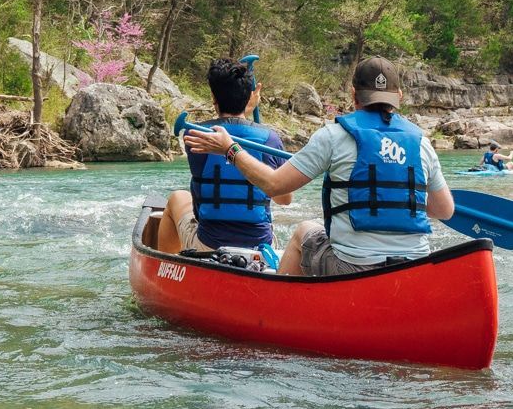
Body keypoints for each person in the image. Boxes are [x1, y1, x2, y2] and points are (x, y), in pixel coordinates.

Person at [181, 56, 454, 277]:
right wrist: (397, 200)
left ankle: (278, 307)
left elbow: (275, 186)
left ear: (353, 95)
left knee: (304, 231)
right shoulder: (422, 143)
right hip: (413, 267)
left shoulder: (333, 136)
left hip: (352, 267)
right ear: (399, 96)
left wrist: (230, 149)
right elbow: (444, 210)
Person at [155, 56, 290, 261]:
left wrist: (242, 107)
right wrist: (246, 107)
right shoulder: (271, 140)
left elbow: (228, 129)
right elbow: (284, 199)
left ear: (213, 97)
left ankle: (166, 265)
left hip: (208, 245)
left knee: (177, 197)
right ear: (250, 97)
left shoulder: (195, 135)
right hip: (260, 247)